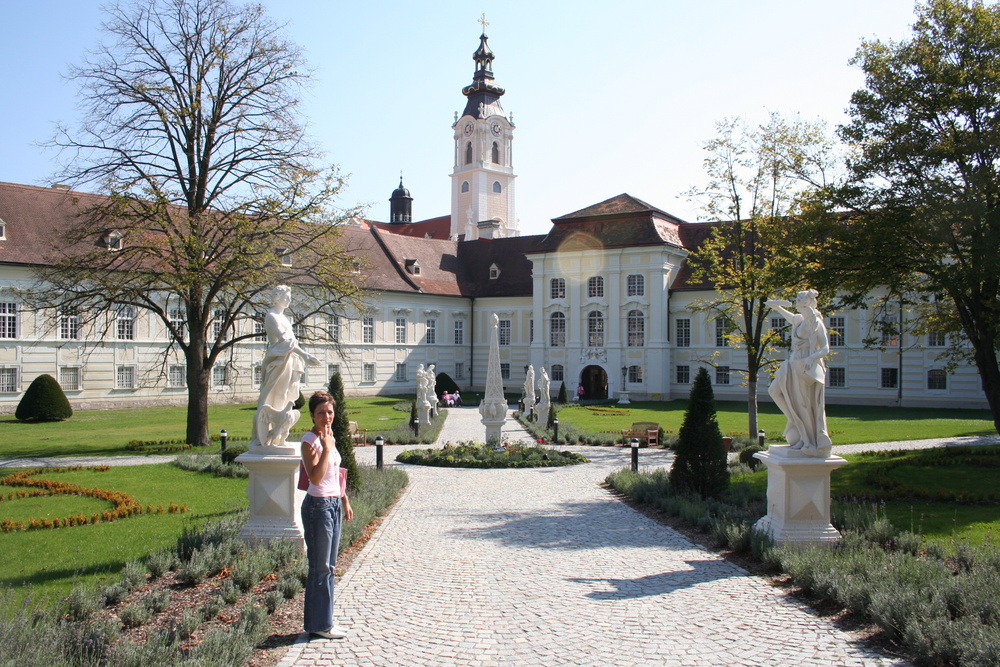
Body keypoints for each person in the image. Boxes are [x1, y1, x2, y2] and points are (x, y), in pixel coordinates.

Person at [301, 391, 354, 639]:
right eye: (321, 412)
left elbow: (336, 473)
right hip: (318, 506)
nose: (327, 416)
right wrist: (325, 448)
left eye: (330, 412)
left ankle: (325, 621)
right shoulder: (310, 441)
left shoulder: (329, 436)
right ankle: (319, 624)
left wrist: (344, 499)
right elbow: (316, 477)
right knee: (320, 568)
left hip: (332, 503)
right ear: (312, 414)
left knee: (330, 567)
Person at [250, 285, 319, 447]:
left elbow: (291, 341)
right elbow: (284, 340)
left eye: (289, 296)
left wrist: (302, 355)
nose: (289, 299)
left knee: (284, 397)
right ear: (277, 297)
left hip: (288, 360)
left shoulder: (283, 317)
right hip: (278, 361)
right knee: (272, 398)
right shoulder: (271, 316)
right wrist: (305, 355)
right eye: (286, 297)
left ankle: (278, 436)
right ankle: (262, 436)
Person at [766, 290, 832, 457]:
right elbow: (786, 314)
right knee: (774, 391)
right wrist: (776, 305)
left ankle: (807, 440)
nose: (795, 301)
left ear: (806, 303)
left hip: (805, 365)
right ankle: (795, 421)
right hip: (793, 362)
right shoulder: (798, 320)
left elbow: (825, 348)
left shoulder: (816, 323)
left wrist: (812, 356)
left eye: (799, 299)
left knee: (803, 404)